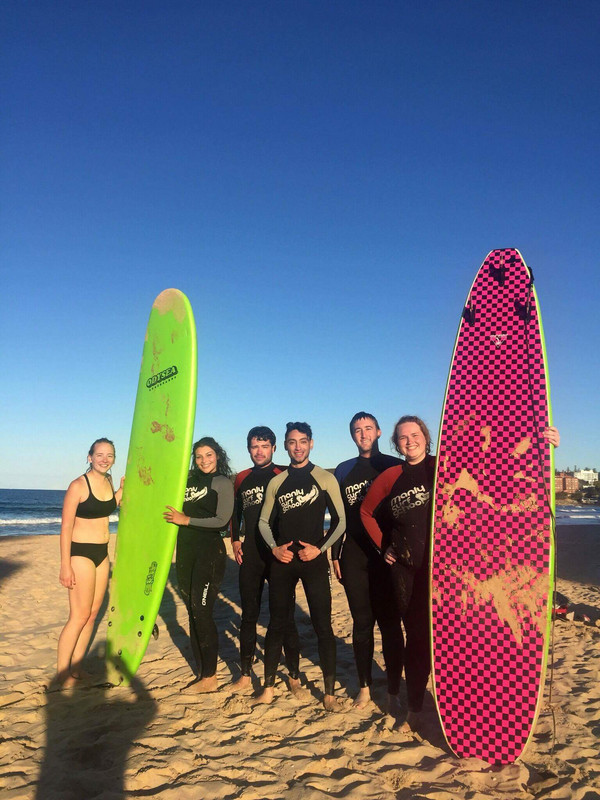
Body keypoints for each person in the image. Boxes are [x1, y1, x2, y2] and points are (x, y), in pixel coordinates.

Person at [361, 416, 561, 731]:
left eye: (415, 435)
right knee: (415, 638)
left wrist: (543, 445)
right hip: (405, 569)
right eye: (403, 437)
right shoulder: (391, 475)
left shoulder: (443, 467)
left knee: (451, 637)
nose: (410, 441)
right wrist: (383, 545)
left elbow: (496, 468)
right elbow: (365, 511)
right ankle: (414, 708)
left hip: (449, 567)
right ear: (395, 444)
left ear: (426, 437)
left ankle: (456, 706)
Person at [256, 422, 346, 711]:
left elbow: (341, 520)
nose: (298, 447)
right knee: (278, 624)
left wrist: (319, 548)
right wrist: (274, 548)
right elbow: (262, 522)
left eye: (303, 441)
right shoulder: (277, 482)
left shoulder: (324, 478)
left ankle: (329, 693)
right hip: (283, 561)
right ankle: (269, 687)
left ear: (311, 444)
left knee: (323, 625)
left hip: (313, 561)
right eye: (292, 442)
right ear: (284, 445)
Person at [331, 412, 404, 710]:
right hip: (354, 555)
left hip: (387, 555)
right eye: (358, 430)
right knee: (361, 623)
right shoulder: (343, 470)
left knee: (389, 624)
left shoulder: (392, 465)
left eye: (368, 429)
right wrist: (334, 552)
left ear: (378, 432)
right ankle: (364, 688)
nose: (363, 434)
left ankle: (394, 691)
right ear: (352, 435)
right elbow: (339, 516)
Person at [230, 426, 300, 693]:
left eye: (264, 446)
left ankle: (293, 675)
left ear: (273, 448)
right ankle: (245, 674)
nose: (259, 451)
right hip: (251, 555)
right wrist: (235, 539)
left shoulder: (283, 473)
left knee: (286, 615)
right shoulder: (242, 478)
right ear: (249, 449)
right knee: (249, 615)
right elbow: (236, 515)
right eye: (254, 446)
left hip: (278, 555)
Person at [164, 437, 234, 692]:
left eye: (209, 455)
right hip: (185, 551)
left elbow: (221, 521)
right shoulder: (187, 480)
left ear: (217, 456)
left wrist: (185, 520)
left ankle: (211, 677)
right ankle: (203, 672)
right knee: (192, 612)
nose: (204, 460)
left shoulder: (222, 482)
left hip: (210, 553)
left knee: (202, 610)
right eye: (199, 456)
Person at [56, 438, 124, 689]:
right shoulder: (78, 486)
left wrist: (121, 491)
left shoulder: (107, 482)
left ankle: (77, 667)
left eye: (110, 455)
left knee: (93, 614)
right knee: (79, 615)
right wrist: (65, 565)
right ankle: (62, 674)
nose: (105, 459)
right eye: (100, 454)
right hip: (80, 554)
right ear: (89, 457)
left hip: (102, 554)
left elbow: (108, 506)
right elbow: (65, 527)